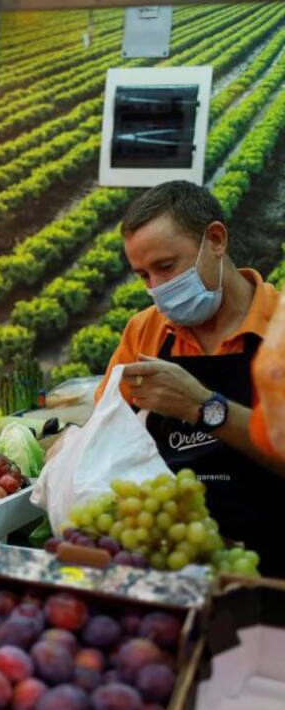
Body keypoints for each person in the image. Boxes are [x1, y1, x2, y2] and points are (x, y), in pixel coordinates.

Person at [98, 180, 284, 574]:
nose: (157, 289)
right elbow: (104, 437)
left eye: (166, 266)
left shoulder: (280, 330)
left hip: (270, 571)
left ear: (215, 240)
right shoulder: (144, 331)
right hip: (170, 562)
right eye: (143, 276)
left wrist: (203, 406)